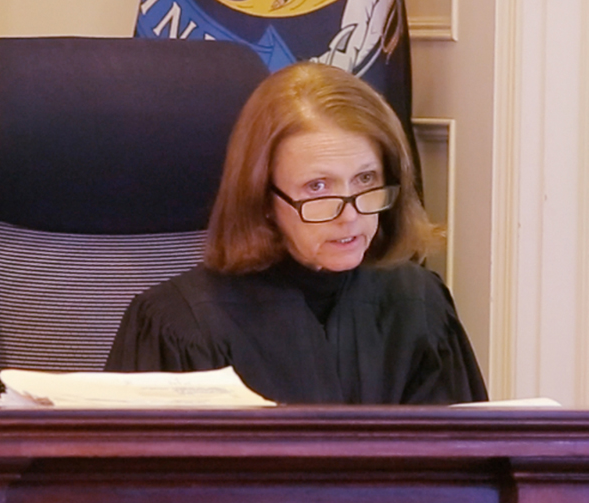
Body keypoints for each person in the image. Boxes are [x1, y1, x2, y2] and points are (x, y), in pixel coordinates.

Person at [105, 61, 488, 405]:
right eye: (318, 187)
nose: (350, 214)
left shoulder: (419, 305)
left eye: (366, 179)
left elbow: (464, 474)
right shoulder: (178, 326)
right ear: (263, 198)